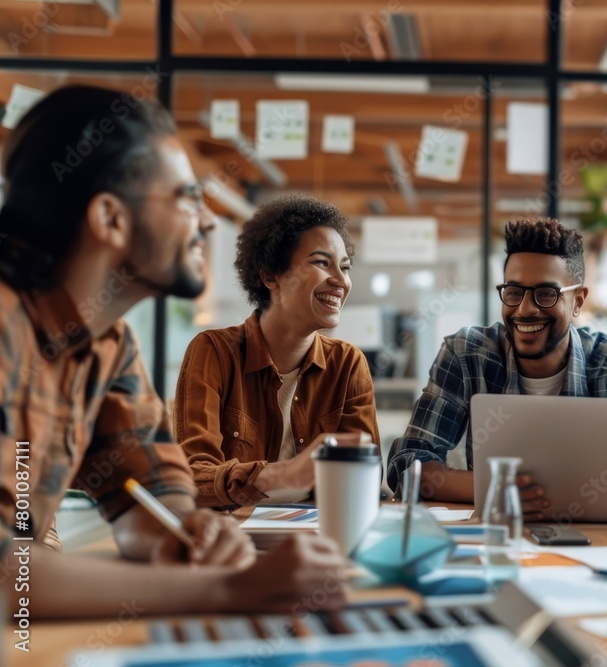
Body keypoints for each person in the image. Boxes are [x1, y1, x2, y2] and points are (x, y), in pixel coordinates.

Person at [0, 85, 347, 618]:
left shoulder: (109, 344)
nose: (207, 222)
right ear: (112, 219)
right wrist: (231, 590)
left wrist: (191, 531)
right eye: (186, 198)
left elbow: (150, 492)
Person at [387, 217, 607, 517]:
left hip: (600, 535)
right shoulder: (466, 353)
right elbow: (408, 465)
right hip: (496, 533)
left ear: (578, 300)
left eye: (546, 293)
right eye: (514, 292)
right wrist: (494, 491)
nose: (525, 309)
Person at [174, 195, 380, 508]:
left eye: (345, 267)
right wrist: (284, 475)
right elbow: (192, 478)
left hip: (320, 531)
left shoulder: (348, 364)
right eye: (321, 262)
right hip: (231, 536)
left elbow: (365, 479)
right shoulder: (213, 352)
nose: (341, 281)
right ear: (270, 276)